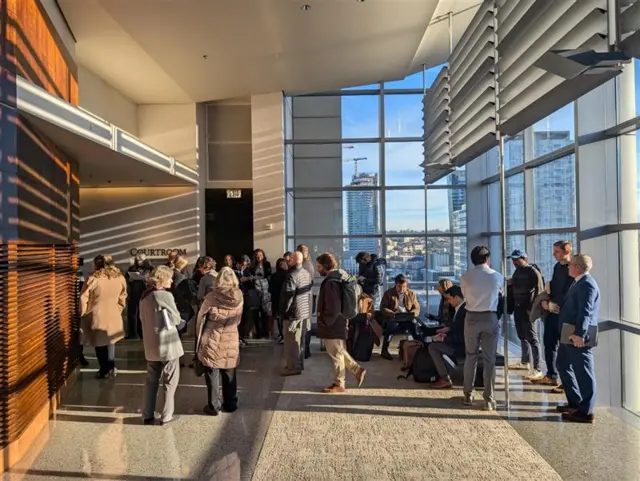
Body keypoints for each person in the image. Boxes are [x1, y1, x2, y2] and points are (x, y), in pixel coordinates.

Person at [556, 254, 600, 424]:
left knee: (584, 372)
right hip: (569, 333)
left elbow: (585, 312)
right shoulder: (579, 282)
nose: (568, 267)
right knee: (562, 364)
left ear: (578, 267)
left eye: (570, 265)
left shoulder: (587, 284)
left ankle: (586, 411)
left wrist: (580, 335)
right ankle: (575, 402)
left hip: (577, 335)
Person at [139, 266, 184, 426]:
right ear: (163, 278)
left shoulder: (144, 296)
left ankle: (147, 415)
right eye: (170, 277)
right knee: (170, 382)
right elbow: (177, 318)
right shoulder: (164, 295)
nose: (172, 280)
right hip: (167, 345)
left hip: (151, 345)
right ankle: (166, 416)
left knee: (151, 382)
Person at [315, 253, 366, 393]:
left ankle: (339, 383)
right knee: (338, 351)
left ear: (325, 266)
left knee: (336, 354)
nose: (317, 269)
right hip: (340, 320)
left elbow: (333, 306)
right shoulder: (339, 277)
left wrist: (325, 321)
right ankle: (357, 370)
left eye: (319, 266)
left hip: (333, 323)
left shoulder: (331, 282)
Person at [460, 246, 504, 411]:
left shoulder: (465, 277)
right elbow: (500, 295)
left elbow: (465, 297)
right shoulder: (496, 276)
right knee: (489, 359)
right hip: (489, 317)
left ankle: (467, 394)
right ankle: (489, 399)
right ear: (487, 258)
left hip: (471, 317)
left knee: (470, 356)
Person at [196, 267, 243, 415]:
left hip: (212, 338)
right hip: (231, 337)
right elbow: (239, 320)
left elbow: (201, 318)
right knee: (229, 371)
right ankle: (231, 404)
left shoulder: (211, 297)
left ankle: (214, 406)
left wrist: (198, 338)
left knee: (212, 372)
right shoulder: (239, 296)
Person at [532, 240, 574, 390]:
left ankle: (566, 382)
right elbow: (554, 288)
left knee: (565, 349)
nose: (553, 254)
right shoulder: (557, 267)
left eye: (557, 251)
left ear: (567, 252)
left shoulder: (572, 269)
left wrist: (552, 305)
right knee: (549, 343)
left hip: (564, 315)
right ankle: (551, 375)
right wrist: (547, 301)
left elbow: (569, 292)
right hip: (552, 312)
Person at [79, 255, 127, 379]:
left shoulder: (93, 279)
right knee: (111, 340)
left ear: (96, 264)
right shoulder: (120, 278)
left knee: (99, 343)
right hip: (114, 312)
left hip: (97, 314)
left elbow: (83, 297)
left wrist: (83, 312)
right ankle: (111, 366)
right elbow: (123, 296)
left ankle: (104, 369)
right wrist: (119, 309)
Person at [507, 249, 544, 379]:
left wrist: (534, 310)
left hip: (527, 308)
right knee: (522, 335)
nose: (514, 262)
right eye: (513, 259)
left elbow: (540, 291)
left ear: (524, 258)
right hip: (518, 307)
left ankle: (538, 368)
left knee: (532, 338)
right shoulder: (518, 271)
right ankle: (525, 361)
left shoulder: (532, 272)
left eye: (517, 259)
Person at [280, 252, 312, 376]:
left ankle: (292, 367)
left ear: (293, 260)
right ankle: (299, 365)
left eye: (290, 259)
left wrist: (283, 312)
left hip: (293, 313)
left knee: (292, 343)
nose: (288, 260)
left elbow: (288, 297)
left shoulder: (292, 275)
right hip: (304, 312)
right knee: (300, 342)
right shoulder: (306, 273)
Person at [429, 285, 467, 389]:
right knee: (434, 343)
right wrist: (448, 330)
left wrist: (444, 338)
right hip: (460, 344)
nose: (448, 302)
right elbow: (458, 328)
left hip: (460, 347)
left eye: (450, 298)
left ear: (457, 297)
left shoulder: (462, 311)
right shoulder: (462, 309)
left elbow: (463, 336)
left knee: (433, 347)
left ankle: (445, 378)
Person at [379, 274, 421, 360]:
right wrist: (392, 313)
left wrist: (412, 314)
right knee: (391, 326)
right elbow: (383, 308)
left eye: (404, 287)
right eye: (399, 287)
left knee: (414, 325)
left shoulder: (411, 294)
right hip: (393, 317)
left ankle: (420, 347)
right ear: (395, 285)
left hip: (406, 318)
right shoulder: (389, 293)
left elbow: (417, 308)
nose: (402, 289)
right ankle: (384, 350)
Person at [126, 253, 154, 339]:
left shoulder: (150, 268)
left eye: (141, 260)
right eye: (137, 260)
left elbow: (154, 279)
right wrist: (129, 279)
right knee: (132, 314)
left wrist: (147, 279)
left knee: (143, 315)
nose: (139, 262)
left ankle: (142, 333)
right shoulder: (132, 268)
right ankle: (132, 333)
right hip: (133, 294)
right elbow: (126, 277)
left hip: (144, 293)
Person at [297, 244, 315, 358]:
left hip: (304, 299)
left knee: (304, 326)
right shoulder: (307, 264)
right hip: (306, 298)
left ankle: (305, 351)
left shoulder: (305, 265)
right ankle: (305, 350)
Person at [251, 249, 273, 338]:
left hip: (265, 291)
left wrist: (260, 278)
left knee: (265, 312)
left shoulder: (267, 264)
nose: (259, 257)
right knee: (255, 313)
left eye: (260, 255)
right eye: (257, 255)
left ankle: (265, 332)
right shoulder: (253, 266)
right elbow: (251, 276)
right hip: (255, 291)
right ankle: (257, 333)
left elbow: (268, 275)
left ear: (263, 255)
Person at [270, 258, 289, 343]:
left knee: (279, 318)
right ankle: (284, 335)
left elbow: (271, 289)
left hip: (276, 299)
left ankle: (282, 335)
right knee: (283, 318)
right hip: (283, 299)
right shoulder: (288, 274)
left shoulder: (274, 275)